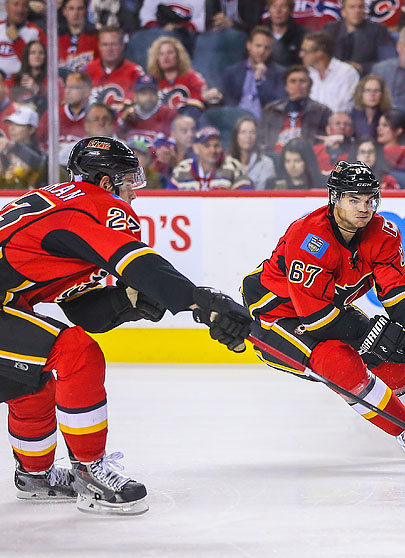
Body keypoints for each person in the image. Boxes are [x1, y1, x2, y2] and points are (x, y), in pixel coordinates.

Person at [0, 136, 251, 514]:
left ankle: (36, 475)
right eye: (128, 180)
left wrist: (127, 302)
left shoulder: (58, 204)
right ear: (105, 182)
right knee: (76, 353)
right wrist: (198, 299)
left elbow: (82, 310)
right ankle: (89, 470)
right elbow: (135, 261)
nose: (134, 191)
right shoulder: (96, 204)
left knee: (30, 377)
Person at [242, 160, 405, 460]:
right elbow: (317, 318)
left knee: (382, 354)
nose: (364, 207)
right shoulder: (309, 238)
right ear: (335, 198)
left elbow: (398, 290)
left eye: (370, 199)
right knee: (339, 363)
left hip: (324, 308)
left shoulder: (382, 234)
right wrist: (370, 333)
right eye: (353, 199)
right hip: (273, 314)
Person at [260, 65, 332, 152]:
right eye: (293, 81)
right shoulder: (271, 110)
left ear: (310, 85)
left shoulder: (322, 112)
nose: (298, 85)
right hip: (274, 159)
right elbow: (262, 140)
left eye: (302, 81)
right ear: (286, 86)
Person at [146, 36, 222, 117]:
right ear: (156, 59)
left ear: (178, 56)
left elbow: (204, 97)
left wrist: (211, 94)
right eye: (161, 54)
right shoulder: (152, 81)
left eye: (170, 52)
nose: (166, 57)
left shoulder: (192, 77)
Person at [222, 26, 287, 118]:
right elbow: (227, 102)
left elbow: (277, 103)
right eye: (258, 46)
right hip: (236, 121)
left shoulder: (280, 73)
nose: (261, 51)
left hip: (264, 123)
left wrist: (261, 81)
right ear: (249, 45)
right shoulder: (232, 72)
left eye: (267, 48)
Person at [322, 0, 396, 75]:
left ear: (365, 11)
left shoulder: (378, 30)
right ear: (343, 12)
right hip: (334, 75)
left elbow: (387, 61)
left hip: (365, 77)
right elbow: (322, 57)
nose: (357, 11)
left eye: (360, 7)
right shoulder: (331, 29)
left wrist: (361, 67)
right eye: (352, 7)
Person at [169, 126, 253, 190]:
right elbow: (169, 200)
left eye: (216, 146)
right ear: (196, 148)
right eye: (207, 146)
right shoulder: (182, 168)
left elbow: (246, 200)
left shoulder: (234, 166)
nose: (213, 150)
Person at [84, 26, 145, 112]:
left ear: (122, 46)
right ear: (99, 46)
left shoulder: (135, 72)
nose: (109, 49)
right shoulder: (87, 71)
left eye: (114, 44)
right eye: (105, 44)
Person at [301, 31, 360, 114]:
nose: (301, 55)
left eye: (305, 51)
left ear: (319, 53)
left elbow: (344, 107)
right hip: (309, 124)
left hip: (336, 123)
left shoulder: (346, 72)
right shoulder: (306, 73)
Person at [116, 74, 179, 145]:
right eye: (144, 93)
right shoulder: (126, 115)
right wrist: (122, 121)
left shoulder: (168, 114)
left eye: (152, 93)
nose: (149, 97)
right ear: (135, 97)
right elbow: (116, 140)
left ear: (158, 95)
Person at [0, 105, 45, 188]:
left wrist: (13, 146)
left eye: (18, 124)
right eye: (11, 124)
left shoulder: (40, 155)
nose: (12, 128)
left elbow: (37, 162)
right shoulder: (6, 153)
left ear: (31, 129)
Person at [0, 0, 46, 79]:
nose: (20, 10)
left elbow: (41, 64)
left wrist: (17, 41)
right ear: (6, 7)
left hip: (22, 85)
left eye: (24, 5)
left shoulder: (36, 32)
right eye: (15, 4)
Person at [228, 115, 276, 190]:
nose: (248, 136)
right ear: (236, 136)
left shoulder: (266, 163)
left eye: (252, 132)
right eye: (243, 132)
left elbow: (265, 196)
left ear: (257, 136)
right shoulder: (227, 162)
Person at [376, 109, 405, 187]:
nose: (379, 128)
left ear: (398, 131)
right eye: (379, 125)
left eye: (385, 125)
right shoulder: (372, 150)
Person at [58, 0, 99, 72]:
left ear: (86, 11)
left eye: (80, 9)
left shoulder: (97, 35)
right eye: (71, 8)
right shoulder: (56, 37)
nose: (76, 13)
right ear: (64, 11)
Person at [349, 75, 391, 143]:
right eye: (368, 90)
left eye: (376, 91)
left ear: (383, 94)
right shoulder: (352, 115)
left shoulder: (389, 116)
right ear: (361, 93)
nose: (372, 94)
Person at [268, 0, 307, 66]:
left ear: (291, 10)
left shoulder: (302, 35)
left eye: (283, 6)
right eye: (274, 6)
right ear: (269, 10)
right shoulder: (260, 33)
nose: (278, 11)